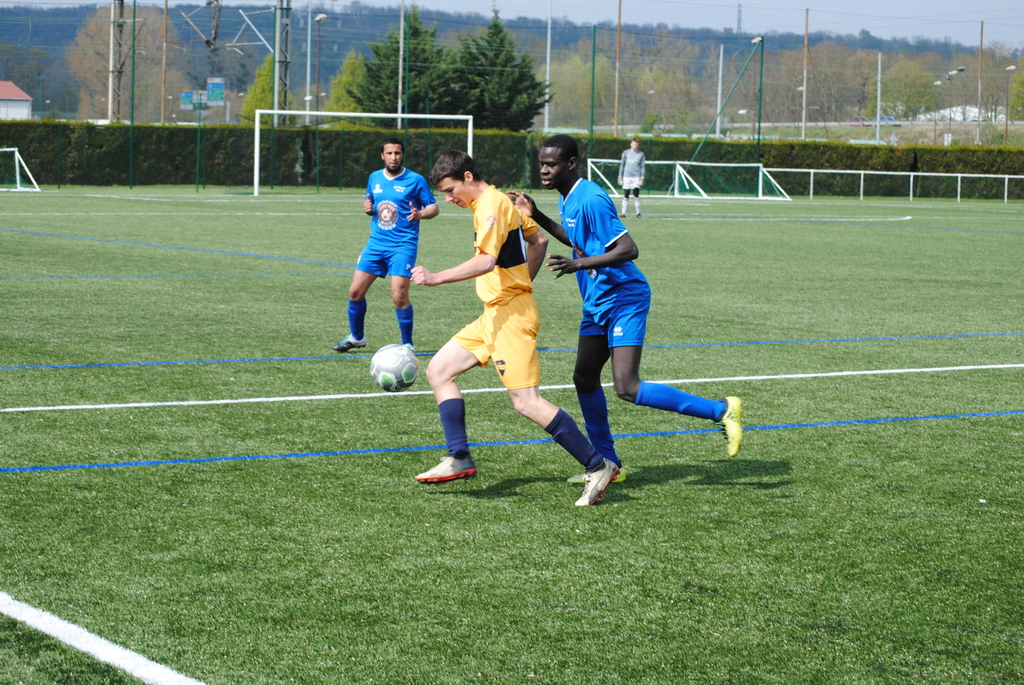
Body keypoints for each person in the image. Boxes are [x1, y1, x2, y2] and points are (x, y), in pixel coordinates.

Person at [509, 134, 742, 483]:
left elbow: (629, 249)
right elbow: (578, 239)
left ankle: (721, 410)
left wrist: (579, 264)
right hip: (597, 301)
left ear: (571, 164)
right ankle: (607, 463)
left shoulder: (591, 198)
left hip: (624, 298)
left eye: (551, 164)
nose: (544, 170)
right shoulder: (568, 197)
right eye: (542, 163)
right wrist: (536, 214)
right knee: (584, 378)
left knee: (627, 387)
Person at [411, 150, 618, 507]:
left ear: (468, 177)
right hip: (495, 314)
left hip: (511, 317)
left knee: (526, 402)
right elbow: (539, 241)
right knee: (439, 371)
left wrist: (436, 277)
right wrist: (522, 283)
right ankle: (459, 456)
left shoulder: (491, 205)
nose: (448, 199)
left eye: (450, 190)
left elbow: (485, 261)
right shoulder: (495, 202)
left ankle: (598, 465)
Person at [333, 138, 439, 353]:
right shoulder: (374, 178)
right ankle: (357, 337)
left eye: (397, 153)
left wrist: (421, 214)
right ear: (382, 155)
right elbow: (373, 205)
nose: (393, 157)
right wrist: (368, 209)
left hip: (403, 245)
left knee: (399, 296)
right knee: (355, 292)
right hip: (376, 243)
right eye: (389, 153)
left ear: (402, 155)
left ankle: (407, 344)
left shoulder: (415, 180)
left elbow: (434, 207)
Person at [617, 137, 645, 218]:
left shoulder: (641, 154)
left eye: (636, 145)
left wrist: (642, 177)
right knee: (626, 194)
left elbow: (642, 166)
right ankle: (623, 213)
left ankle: (638, 213)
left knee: (636, 194)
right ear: (631, 144)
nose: (635, 146)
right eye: (633, 144)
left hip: (636, 177)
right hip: (627, 176)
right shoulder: (626, 153)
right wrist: (620, 176)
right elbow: (622, 165)